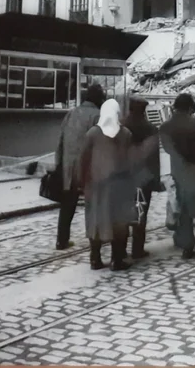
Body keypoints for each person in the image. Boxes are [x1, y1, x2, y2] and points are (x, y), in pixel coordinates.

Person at [80, 98, 135, 271]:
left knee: (95, 220)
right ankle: (117, 259)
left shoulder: (92, 134)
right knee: (119, 222)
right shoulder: (126, 133)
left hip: (96, 186)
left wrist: (83, 182)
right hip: (120, 185)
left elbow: (83, 160)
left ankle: (95, 259)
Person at [160, 93, 195, 259]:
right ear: (191, 108)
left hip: (179, 170)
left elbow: (168, 150)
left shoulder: (165, 126)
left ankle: (187, 246)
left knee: (183, 209)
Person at [55, 83, 105, 250]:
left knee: (67, 204)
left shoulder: (71, 113)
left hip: (68, 168)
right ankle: (95, 240)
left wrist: (59, 165)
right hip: (88, 168)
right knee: (93, 205)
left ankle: (61, 240)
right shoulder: (98, 116)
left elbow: (60, 141)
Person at [122, 96, 160, 259]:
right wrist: (156, 180)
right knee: (140, 212)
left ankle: (120, 249)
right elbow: (154, 157)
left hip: (122, 177)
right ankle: (137, 249)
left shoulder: (120, 125)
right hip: (143, 178)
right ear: (144, 110)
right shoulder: (150, 128)